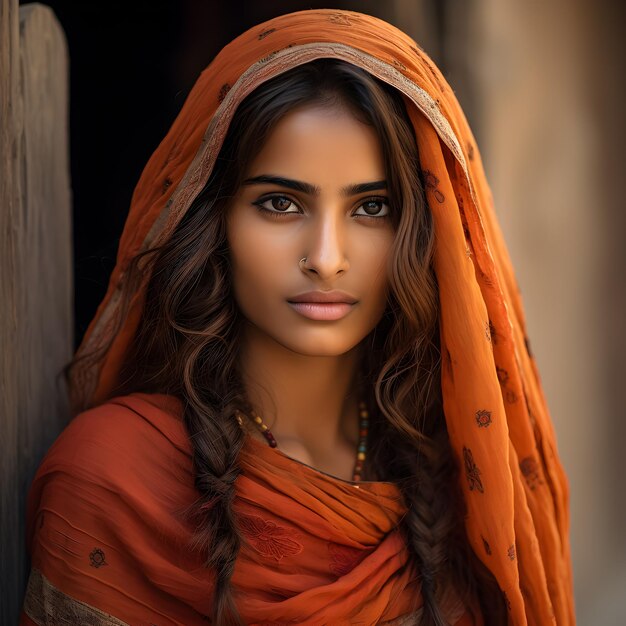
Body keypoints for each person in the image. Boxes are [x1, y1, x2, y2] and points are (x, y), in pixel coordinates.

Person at [20, 9, 574, 626]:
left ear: (424, 233)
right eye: (280, 203)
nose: (326, 259)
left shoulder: (460, 482)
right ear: (214, 223)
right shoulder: (115, 479)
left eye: (373, 207)